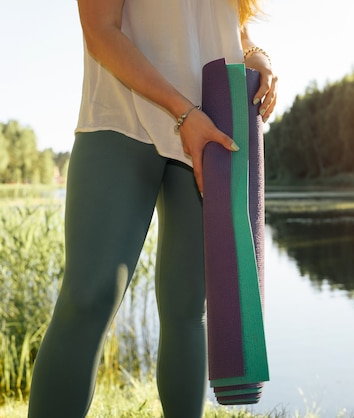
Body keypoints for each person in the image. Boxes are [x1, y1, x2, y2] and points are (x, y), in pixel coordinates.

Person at [27, 0, 277, 416]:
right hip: (121, 116)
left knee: (187, 309)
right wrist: (183, 112)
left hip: (214, 124)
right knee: (87, 299)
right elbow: (100, 32)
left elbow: (232, 28)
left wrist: (260, 58)